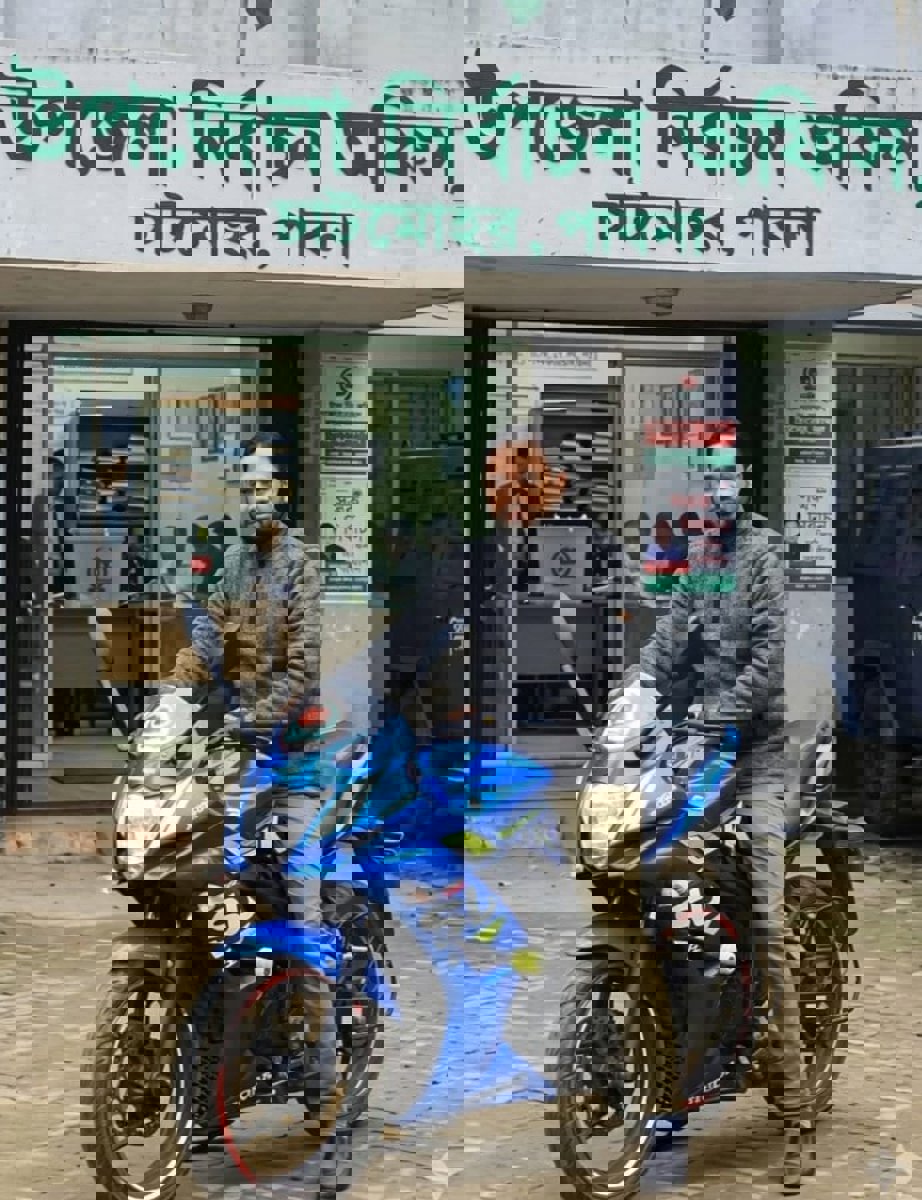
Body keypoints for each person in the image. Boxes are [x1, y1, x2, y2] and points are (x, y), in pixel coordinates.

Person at [623, 442, 807, 1189]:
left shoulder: (763, 559)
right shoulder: (699, 563)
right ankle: (669, 1066)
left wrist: (714, 715)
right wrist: (634, 706)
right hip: (701, 752)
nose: (709, 499)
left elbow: (766, 663)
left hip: (761, 751)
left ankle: (794, 1103)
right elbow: (666, 648)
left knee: (763, 912)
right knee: (649, 879)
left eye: (719, 484)